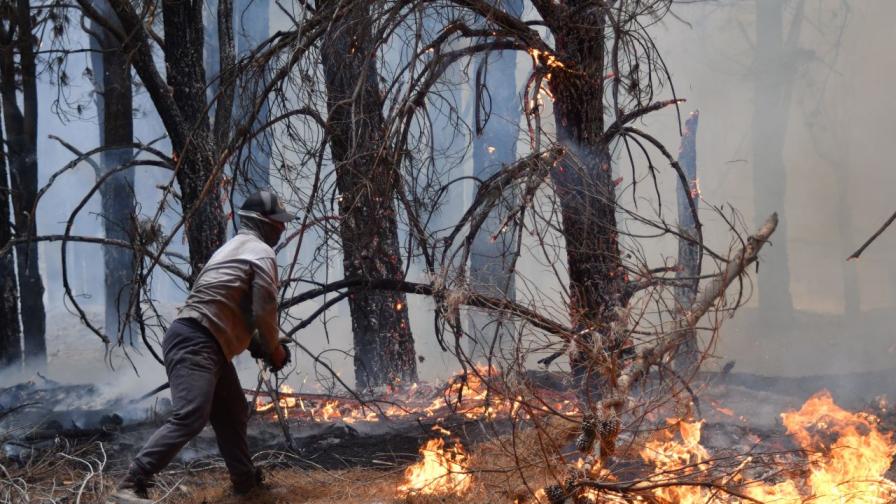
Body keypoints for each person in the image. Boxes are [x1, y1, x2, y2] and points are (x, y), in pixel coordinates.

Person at [110, 190, 294, 503]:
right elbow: (264, 307)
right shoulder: (261, 252)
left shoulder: (232, 250)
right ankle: (130, 484)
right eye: (279, 223)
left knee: (233, 412)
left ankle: (246, 487)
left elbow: (230, 309)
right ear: (263, 222)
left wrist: (258, 344)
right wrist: (274, 348)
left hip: (206, 341)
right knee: (191, 415)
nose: (283, 229)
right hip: (198, 341)